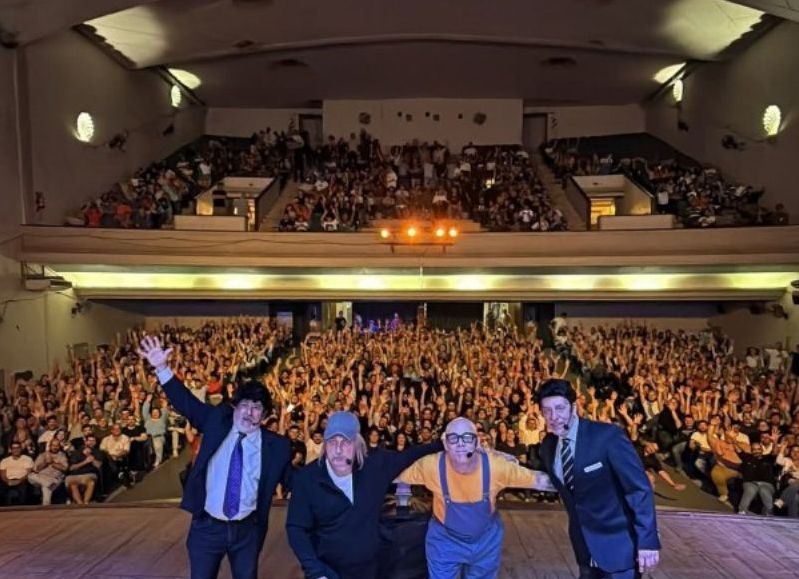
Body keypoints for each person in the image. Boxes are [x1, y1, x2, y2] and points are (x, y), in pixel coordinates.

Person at [138, 335, 292, 579]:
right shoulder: (216, 422)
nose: (249, 413)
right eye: (245, 405)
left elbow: (297, 481)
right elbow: (186, 403)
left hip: (247, 531)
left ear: (264, 416)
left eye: (257, 408)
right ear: (235, 407)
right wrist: (162, 368)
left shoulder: (277, 447)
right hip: (207, 528)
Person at [286, 411, 443, 579]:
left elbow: (410, 455)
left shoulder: (375, 465)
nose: (338, 450)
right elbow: (296, 528)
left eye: (345, 442)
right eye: (332, 442)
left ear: (357, 444)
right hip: (327, 572)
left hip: (370, 569)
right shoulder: (307, 478)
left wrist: (444, 443)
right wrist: (316, 572)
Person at [398, 417, 555, 579]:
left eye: (467, 437)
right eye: (453, 438)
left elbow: (538, 481)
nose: (460, 444)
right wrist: (401, 503)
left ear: (476, 442)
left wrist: (568, 481)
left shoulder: (496, 467)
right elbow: (398, 475)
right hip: (444, 542)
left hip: (486, 542)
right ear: (445, 444)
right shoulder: (431, 466)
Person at [537, 379, 660, 579]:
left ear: (573, 407)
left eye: (559, 408)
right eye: (547, 411)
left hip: (620, 547)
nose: (554, 416)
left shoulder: (607, 436)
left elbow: (638, 489)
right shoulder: (548, 446)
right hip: (584, 549)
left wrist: (648, 541)